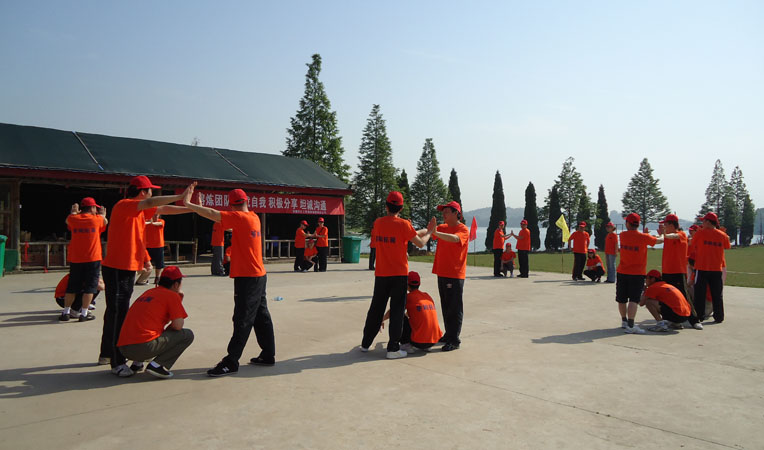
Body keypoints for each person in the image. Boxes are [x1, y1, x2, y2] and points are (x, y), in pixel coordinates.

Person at [100, 176, 194, 377]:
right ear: (143, 192)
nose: (152, 194)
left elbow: (163, 209)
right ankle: (116, 361)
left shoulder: (139, 211)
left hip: (127, 267)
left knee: (120, 311)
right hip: (116, 268)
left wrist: (191, 208)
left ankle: (109, 353)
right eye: (151, 190)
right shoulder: (125, 205)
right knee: (117, 313)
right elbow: (152, 203)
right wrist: (179, 196)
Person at [183, 186, 276, 376]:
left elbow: (214, 214)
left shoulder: (240, 218)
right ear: (247, 201)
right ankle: (268, 354)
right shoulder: (253, 217)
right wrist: (202, 209)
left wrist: (190, 205)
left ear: (231, 205)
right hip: (258, 275)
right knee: (261, 316)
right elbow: (216, 215)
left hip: (248, 278)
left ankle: (231, 361)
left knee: (242, 318)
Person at [361, 191, 435, 359]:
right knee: (397, 311)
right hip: (399, 275)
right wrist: (430, 232)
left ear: (386, 206)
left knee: (376, 309)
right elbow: (420, 243)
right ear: (401, 208)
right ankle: (393, 348)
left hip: (381, 273)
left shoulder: (378, 223)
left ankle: (365, 343)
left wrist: (419, 229)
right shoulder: (404, 225)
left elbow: (396, 234)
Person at [117, 266, 194, 379]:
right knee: (187, 335)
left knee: (151, 330)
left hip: (123, 348)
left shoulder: (149, 292)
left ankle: (137, 363)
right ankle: (157, 365)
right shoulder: (171, 295)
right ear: (176, 284)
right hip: (142, 347)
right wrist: (178, 298)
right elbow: (178, 325)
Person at [60, 197, 107, 322]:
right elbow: (105, 221)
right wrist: (102, 214)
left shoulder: (73, 219)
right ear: (92, 208)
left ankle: (66, 312)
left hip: (76, 259)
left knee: (72, 286)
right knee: (90, 287)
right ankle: (84, 313)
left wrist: (74, 212)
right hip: (93, 258)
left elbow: (68, 220)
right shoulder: (97, 219)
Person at [615, 213, 664, 334]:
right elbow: (659, 241)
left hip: (622, 271)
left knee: (621, 299)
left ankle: (624, 321)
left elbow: (636, 238)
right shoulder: (643, 237)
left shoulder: (622, 235)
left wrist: (646, 235)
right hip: (637, 273)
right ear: (638, 224)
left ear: (627, 223)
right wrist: (662, 234)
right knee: (633, 299)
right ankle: (631, 325)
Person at [431, 200, 469, 352]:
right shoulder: (443, 227)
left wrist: (436, 232)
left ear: (456, 213)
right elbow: (428, 232)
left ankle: (454, 340)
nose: (444, 214)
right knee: (446, 306)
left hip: (455, 274)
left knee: (454, 307)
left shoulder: (462, 229)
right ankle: (448, 334)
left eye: (447, 211)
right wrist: (410, 229)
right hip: (442, 272)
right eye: (443, 212)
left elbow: (455, 239)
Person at [658, 214, 702, 329]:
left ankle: (694, 320)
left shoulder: (681, 234)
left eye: (665, 224)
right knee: (667, 297)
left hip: (678, 271)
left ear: (672, 225)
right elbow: (661, 238)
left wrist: (664, 234)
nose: (664, 226)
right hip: (666, 271)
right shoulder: (666, 236)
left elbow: (673, 236)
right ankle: (671, 319)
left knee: (684, 296)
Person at [380, 271, 443, 353]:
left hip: (419, 343)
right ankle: (425, 344)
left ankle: (406, 344)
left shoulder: (408, 297)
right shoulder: (426, 296)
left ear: (406, 285)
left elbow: (393, 311)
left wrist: (382, 319)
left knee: (399, 315)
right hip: (433, 341)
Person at [690, 212, 730, 324]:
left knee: (700, 294)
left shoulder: (700, 233)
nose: (702, 223)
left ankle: (699, 315)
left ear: (708, 222)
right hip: (716, 269)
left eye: (703, 221)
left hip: (701, 268)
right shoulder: (722, 235)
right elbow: (727, 246)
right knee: (717, 294)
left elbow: (693, 244)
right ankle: (719, 316)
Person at [142, 214, 165, 286]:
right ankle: (145, 278)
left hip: (158, 245)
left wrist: (151, 223)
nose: (156, 216)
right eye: (154, 215)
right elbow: (141, 223)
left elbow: (159, 224)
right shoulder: (147, 221)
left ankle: (157, 277)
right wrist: (148, 222)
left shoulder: (161, 221)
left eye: (157, 215)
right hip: (147, 245)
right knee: (146, 263)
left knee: (159, 263)